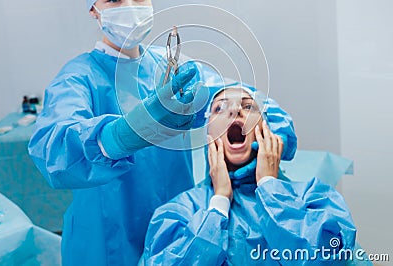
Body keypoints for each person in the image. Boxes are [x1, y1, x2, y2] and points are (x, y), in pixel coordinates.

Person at [28, 0, 297, 265]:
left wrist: (267, 130)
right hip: (106, 243)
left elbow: (238, 99)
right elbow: (54, 150)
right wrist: (126, 133)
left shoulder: (173, 73)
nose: (130, 5)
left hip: (180, 232)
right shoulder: (78, 78)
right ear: (94, 10)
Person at [143, 86, 359, 265]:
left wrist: (269, 188)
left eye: (248, 106)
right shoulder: (179, 212)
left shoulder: (314, 199)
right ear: (208, 135)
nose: (235, 110)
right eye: (220, 108)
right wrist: (218, 204)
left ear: (267, 129)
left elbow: (328, 259)